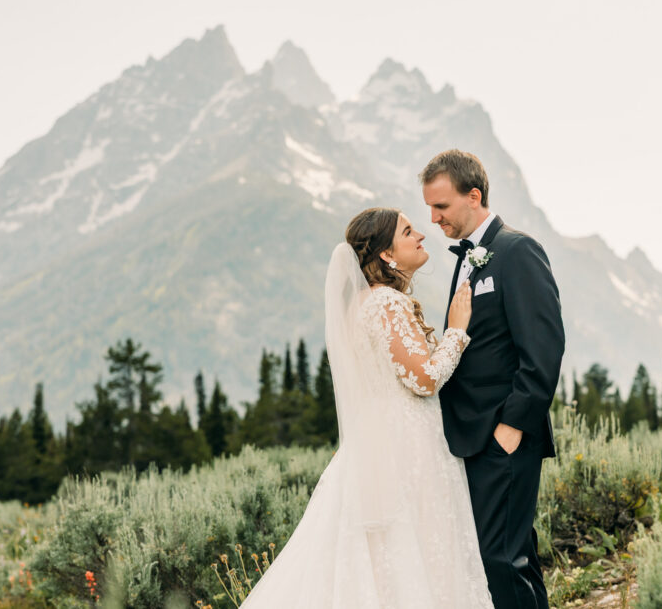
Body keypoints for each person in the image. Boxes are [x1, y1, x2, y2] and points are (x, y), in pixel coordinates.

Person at [240, 207, 494, 608]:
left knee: (387, 558)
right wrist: (457, 332)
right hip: (407, 448)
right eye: (409, 232)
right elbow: (423, 379)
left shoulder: (363, 303)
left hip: (381, 443)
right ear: (387, 255)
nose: (421, 236)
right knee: (420, 548)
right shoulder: (386, 303)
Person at [421, 149, 566, 609]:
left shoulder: (517, 251)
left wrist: (512, 426)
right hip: (473, 437)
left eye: (441, 206)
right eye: (429, 208)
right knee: (513, 555)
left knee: (499, 559)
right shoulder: (468, 259)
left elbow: (543, 348)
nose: (433, 217)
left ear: (474, 196)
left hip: (504, 434)